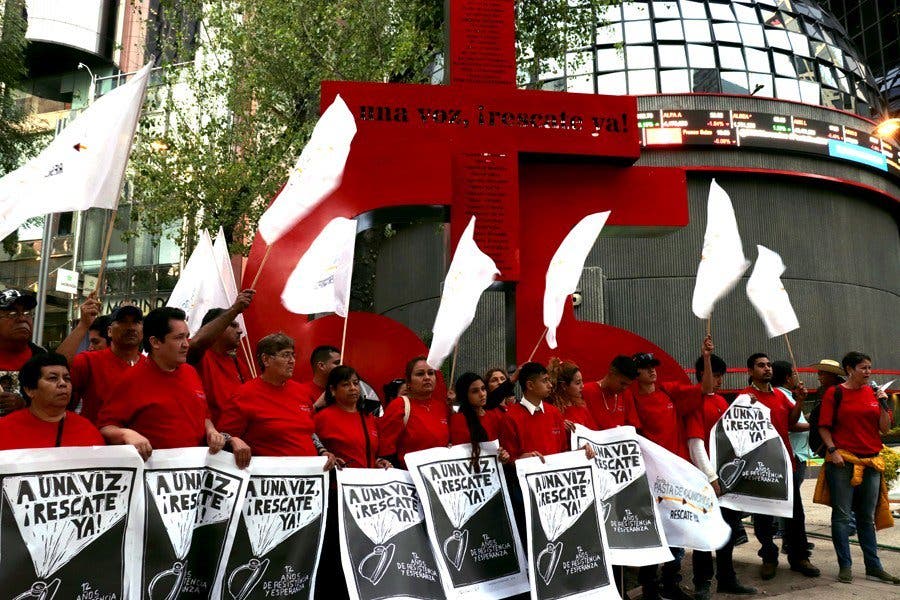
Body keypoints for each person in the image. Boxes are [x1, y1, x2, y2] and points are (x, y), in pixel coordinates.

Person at [632, 338, 714, 600]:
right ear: (636, 373)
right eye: (646, 368)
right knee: (654, 534)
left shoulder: (668, 391)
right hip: (650, 479)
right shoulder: (631, 398)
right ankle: (649, 588)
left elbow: (707, 388)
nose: (652, 371)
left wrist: (707, 358)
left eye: (653, 366)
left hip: (676, 477)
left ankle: (671, 583)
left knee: (676, 532)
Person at [97, 307, 227, 462]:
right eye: (179, 338)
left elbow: (204, 416)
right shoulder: (131, 379)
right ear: (155, 342)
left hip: (194, 473)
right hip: (152, 475)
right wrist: (126, 434)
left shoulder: (191, 373)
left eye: (187, 337)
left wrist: (211, 431)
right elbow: (105, 427)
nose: (186, 344)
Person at [817, 351, 898, 585]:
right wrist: (833, 452)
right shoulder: (836, 393)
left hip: (871, 461)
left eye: (870, 368)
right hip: (843, 461)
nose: (869, 372)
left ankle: (874, 566)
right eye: (863, 368)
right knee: (842, 516)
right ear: (849, 369)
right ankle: (845, 566)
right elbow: (824, 427)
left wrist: (883, 404)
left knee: (866, 517)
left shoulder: (874, 393)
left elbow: (884, 429)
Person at [743, 353, 819, 580]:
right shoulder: (745, 398)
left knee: (796, 515)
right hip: (760, 468)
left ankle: (800, 558)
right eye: (760, 366)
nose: (766, 369)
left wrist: (801, 401)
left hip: (786, 465)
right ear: (750, 371)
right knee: (764, 518)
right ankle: (768, 556)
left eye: (768, 365)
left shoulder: (780, 396)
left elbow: (792, 422)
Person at [686, 351, 756, 598]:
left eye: (720, 376)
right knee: (703, 534)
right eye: (714, 376)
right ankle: (702, 582)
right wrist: (710, 476)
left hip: (727, 478)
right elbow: (695, 443)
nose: (719, 381)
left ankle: (727, 578)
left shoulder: (721, 402)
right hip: (704, 480)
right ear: (702, 375)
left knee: (728, 531)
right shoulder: (694, 401)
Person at [217, 333, 336, 470]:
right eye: (285, 355)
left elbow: (308, 431)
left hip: (307, 480)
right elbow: (222, 436)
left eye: (293, 355)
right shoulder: (245, 394)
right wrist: (232, 440)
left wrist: (323, 451)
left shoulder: (301, 391)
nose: (292, 360)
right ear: (266, 359)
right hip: (269, 482)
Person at [0, 353, 104, 449]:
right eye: (53, 378)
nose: (63, 383)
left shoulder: (87, 430)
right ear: (29, 390)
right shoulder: (4, 429)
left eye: (67, 378)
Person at [187, 289, 255, 424]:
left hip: (237, 437)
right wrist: (235, 309)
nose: (240, 331)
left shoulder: (238, 364)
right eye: (233, 325)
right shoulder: (199, 356)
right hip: (210, 437)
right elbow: (196, 343)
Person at [69, 305, 146, 424]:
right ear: (109, 331)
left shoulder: (151, 366)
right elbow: (56, 366)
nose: (131, 327)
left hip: (141, 441)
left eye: (136, 322)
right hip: (96, 440)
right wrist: (82, 325)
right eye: (123, 322)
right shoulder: (88, 361)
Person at [772, 360, 815, 557]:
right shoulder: (780, 395)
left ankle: (795, 539)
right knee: (792, 503)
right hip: (792, 456)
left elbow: (797, 419)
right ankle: (790, 541)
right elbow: (791, 425)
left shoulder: (789, 395)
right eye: (794, 373)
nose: (798, 377)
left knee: (794, 501)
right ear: (788, 377)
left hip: (799, 453)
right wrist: (814, 425)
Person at [377, 356, 450, 468]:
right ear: (409, 381)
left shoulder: (442, 407)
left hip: (439, 477)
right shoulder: (399, 405)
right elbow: (385, 448)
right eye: (420, 374)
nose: (427, 377)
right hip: (410, 477)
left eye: (431, 373)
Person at [0, 289, 45, 416]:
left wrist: (25, 405)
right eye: (13, 313)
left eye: (27, 313)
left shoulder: (41, 358)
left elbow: (52, 404)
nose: (22, 319)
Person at [449, 372, 510, 465]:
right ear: (465, 395)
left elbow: (501, 448)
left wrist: (503, 456)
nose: (482, 394)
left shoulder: (493, 416)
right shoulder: (458, 420)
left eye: (483, 389)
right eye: (475, 391)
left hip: (492, 474)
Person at [582, 355, 642, 430]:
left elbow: (633, 427)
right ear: (612, 372)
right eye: (622, 383)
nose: (624, 388)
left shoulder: (626, 394)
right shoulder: (586, 391)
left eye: (628, 385)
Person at [547, 358, 597, 430]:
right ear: (564, 386)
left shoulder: (581, 407)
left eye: (582, 381)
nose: (582, 386)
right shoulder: (551, 411)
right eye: (578, 383)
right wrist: (560, 426)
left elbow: (594, 434)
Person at [297, 345, 341, 410]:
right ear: (321, 366)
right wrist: (316, 406)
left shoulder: (341, 391)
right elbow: (298, 418)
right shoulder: (301, 391)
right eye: (336, 363)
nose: (340, 367)